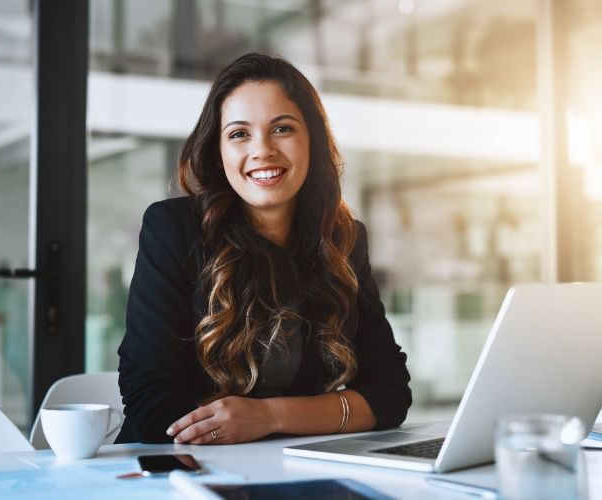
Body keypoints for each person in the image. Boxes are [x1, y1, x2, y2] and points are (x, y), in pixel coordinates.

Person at [116, 53, 411, 445]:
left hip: (293, 470)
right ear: (219, 153)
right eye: (239, 134)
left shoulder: (344, 239)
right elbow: (150, 403)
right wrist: (317, 416)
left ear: (313, 141)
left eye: (283, 129)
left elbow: (390, 393)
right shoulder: (173, 228)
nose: (263, 150)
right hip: (179, 472)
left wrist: (269, 416)